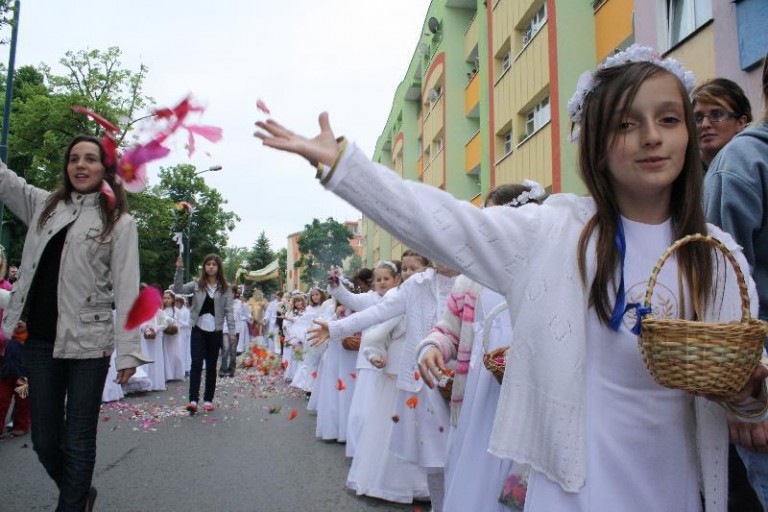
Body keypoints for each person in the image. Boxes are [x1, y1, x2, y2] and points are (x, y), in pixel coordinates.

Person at [255, 44, 768, 511]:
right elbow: (446, 223)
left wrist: (750, 396)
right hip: (574, 488)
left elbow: (742, 379)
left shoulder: (715, 253)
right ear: (594, 141)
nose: (652, 137)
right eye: (626, 124)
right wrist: (347, 168)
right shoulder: (553, 232)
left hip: (673, 488)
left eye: (669, 119)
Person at [0, 134, 149, 511]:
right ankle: (80, 495)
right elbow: (6, 181)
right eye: (73, 159)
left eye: (90, 159)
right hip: (40, 342)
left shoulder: (119, 221)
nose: (80, 165)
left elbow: (128, 290)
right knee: (45, 440)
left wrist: (129, 352)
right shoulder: (44, 205)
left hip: (90, 342)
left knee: (79, 439)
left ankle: (71, 504)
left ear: (105, 168)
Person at [418, 183, 544, 512]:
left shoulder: (546, 275)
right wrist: (433, 346)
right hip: (480, 397)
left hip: (531, 396)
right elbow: (449, 328)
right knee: (476, 474)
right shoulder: (470, 280)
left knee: (521, 478)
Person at [704, 54, 768, 509]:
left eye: (715, 114)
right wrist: (742, 397)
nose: (704, 124)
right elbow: (719, 289)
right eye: (696, 116)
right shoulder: (741, 165)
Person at [173, 254, 236, 414]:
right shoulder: (197, 285)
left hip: (215, 330)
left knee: (211, 366)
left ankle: (208, 399)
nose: (211, 267)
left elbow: (229, 310)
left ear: (218, 267)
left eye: (214, 264)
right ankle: (193, 400)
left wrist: (232, 331)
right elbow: (177, 289)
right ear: (204, 267)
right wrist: (179, 270)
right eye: (208, 264)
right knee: (196, 364)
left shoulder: (225, 288)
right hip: (198, 329)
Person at [692, 77, 752, 169]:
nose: (705, 124)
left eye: (717, 114)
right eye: (698, 117)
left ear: (741, 122)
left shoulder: (757, 169)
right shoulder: (680, 176)